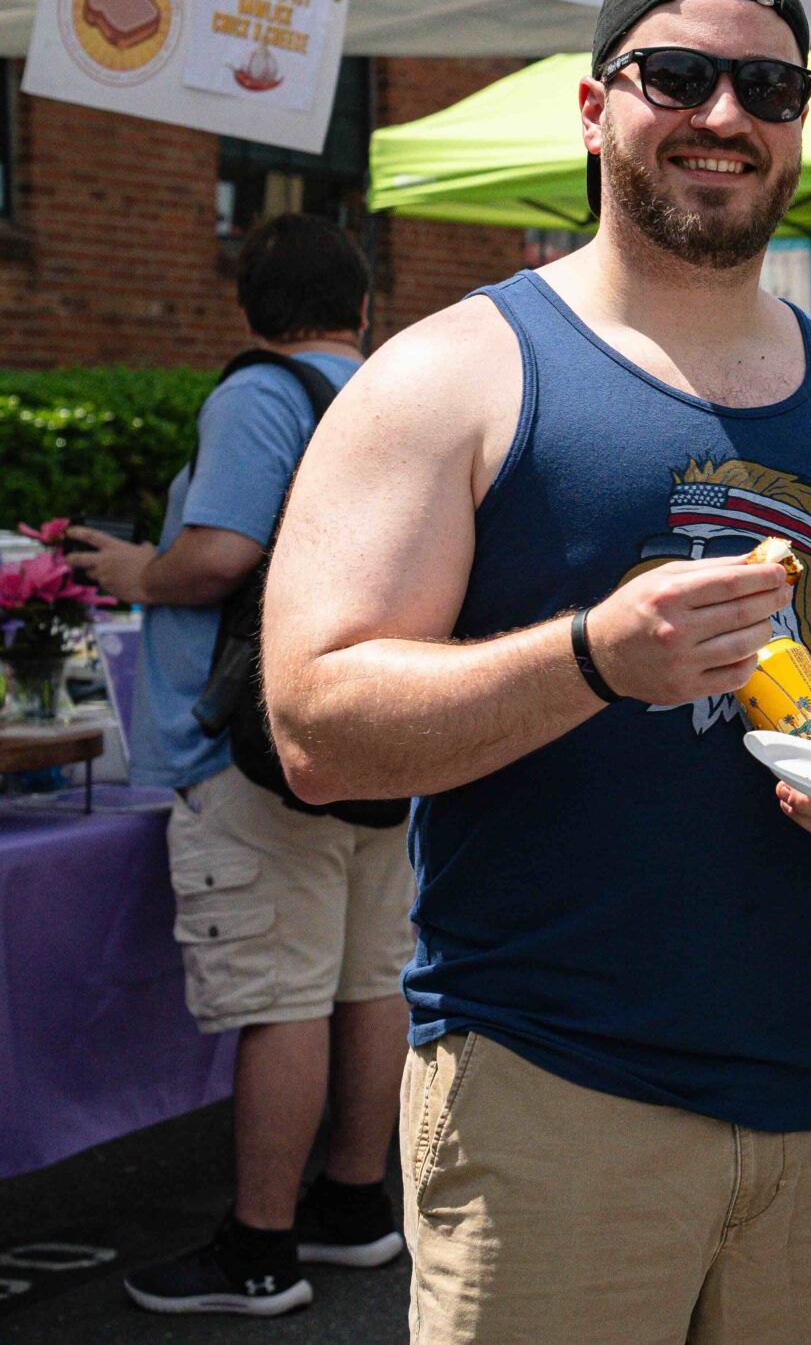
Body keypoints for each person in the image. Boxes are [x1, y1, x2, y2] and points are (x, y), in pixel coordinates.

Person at [259, 0, 811, 1345]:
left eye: (769, 87)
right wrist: (590, 658)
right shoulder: (451, 373)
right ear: (595, 107)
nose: (726, 115)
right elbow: (314, 725)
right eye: (680, 76)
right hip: (548, 1094)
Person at [65, 216, 404, 1319]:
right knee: (370, 981)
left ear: (249, 308)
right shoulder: (400, 389)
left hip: (254, 748)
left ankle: (259, 1250)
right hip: (377, 728)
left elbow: (217, 556)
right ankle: (355, 1206)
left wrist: (137, 570)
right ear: (361, 305)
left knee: (285, 998)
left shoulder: (260, 394)